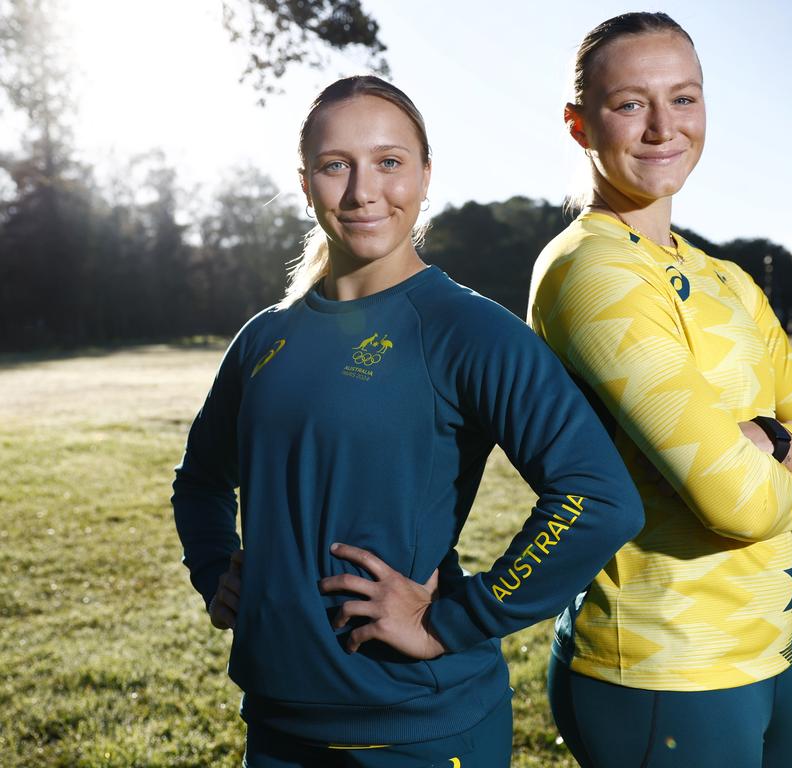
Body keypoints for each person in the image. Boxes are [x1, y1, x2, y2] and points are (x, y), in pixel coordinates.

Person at [172, 75, 644, 768]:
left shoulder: (469, 329)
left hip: (421, 728)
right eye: (338, 166)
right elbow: (201, 483)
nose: (365, 191)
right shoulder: (263, 338)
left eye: (390, 162)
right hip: (277, 721)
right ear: (306, 183)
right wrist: (215, 569)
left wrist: (457, 618)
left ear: (425, 176)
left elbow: (598, 499)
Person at [529, 13, 792, 768]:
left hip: (770, 649)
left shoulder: (727, 279)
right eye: (630, 104)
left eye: (683, 99)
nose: (663, 127)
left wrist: (778, 442)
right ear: (577, 123)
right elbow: (739, 503)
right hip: (662, 664)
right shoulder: (590, 271)